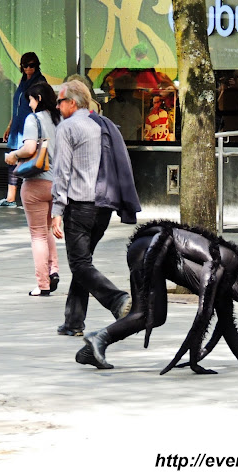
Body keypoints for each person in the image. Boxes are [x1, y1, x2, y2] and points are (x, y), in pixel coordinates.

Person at [75, 221, 238, 374]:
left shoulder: (225, 282)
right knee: (147, 314)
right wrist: (194, 357)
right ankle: (99, 339)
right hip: (150, 250)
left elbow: (227, 322)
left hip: (142, 249)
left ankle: (94, 345)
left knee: (149, 315)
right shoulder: (222, 261)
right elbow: (205, 308)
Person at [51, 80, 139, 336]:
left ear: (72, 103)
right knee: (84, 263)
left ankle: (118, 300)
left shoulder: (68, 127)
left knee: (79, 264)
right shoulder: (102, 124)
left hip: (80, 206)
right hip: (103, 206)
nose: (57, 105)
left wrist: (56, 211)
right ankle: (73, 322)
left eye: (59, 101)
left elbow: (61, 172)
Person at [4, 82, 60, 296]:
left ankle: (43, 284)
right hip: (57, 184)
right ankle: (53, 270)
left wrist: (13, 155)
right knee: (47, 231)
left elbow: (29, 149)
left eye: (30, 99)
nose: (29, 104)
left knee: (37, 235)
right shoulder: (59, 119)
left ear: (38, 98)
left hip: (36, 183)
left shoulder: (33, 119)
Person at [0, 52, 47, 208]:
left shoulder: (40, 81)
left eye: (32, 65)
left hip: (30, 126)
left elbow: (42, 105)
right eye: (26, 65)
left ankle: (29, 197)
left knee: (28, 160)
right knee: (13, 160)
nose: (29, 69)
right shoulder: (22, 81)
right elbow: (17, 106)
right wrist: (10, 126)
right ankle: (10, 198)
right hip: (18, 125)